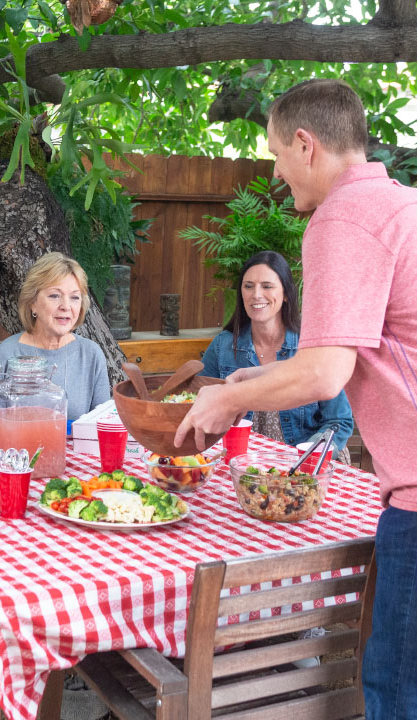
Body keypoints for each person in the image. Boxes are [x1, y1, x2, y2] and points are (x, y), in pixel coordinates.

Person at [173, 79, 417, 719]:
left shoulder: (343, 218)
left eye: (277, 155)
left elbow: (324, 372)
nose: (277, 174)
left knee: (395, 693)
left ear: (306, 145)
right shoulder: (401, 205)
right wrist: (246, 384)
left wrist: (223, 406)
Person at [200, 250, 353, 459]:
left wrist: (306, 457)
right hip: (243, 464)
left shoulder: (311, 347)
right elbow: (197, 403)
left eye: (267, 286)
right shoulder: (223, 345)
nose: (256, 294)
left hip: (305, 467)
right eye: (248, 286)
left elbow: (339, 421)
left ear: (286, 293)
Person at [0, 252, 111, 421]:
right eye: (54, 295)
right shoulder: (4, 355)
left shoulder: (90, 354)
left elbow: (102, 426)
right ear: (32, 303)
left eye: (74, 297)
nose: (66, 306)